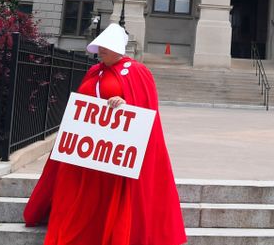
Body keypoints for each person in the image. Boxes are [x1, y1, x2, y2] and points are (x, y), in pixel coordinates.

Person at [23, 24, 187, 245]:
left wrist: (125, 103)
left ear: (118, 48)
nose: (100, 51)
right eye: (99, 47)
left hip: (112, 153)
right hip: (88, 150)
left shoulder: (137, 72)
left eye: (105, 47)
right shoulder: (95, 71)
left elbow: (145, 109)